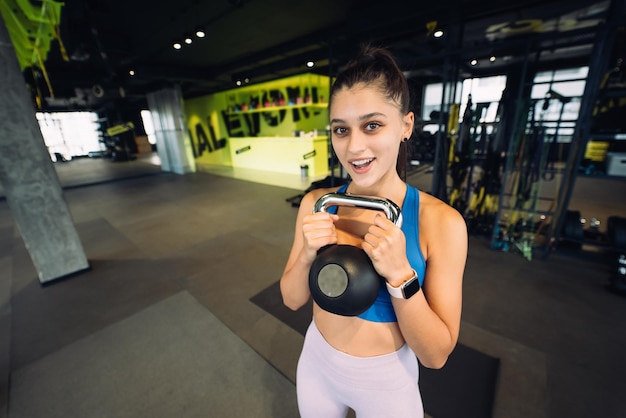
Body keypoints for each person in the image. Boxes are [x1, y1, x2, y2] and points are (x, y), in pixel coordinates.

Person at [279, 45, 468, 418]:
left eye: (372, 125)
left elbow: (435, 355)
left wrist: (400, 275)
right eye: (340, 130)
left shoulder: (442, 223)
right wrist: (306, 254)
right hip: (317, 363)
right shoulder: (318, 204)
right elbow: (291, 299)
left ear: (406, 126)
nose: (354, 147)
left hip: (385, 383)